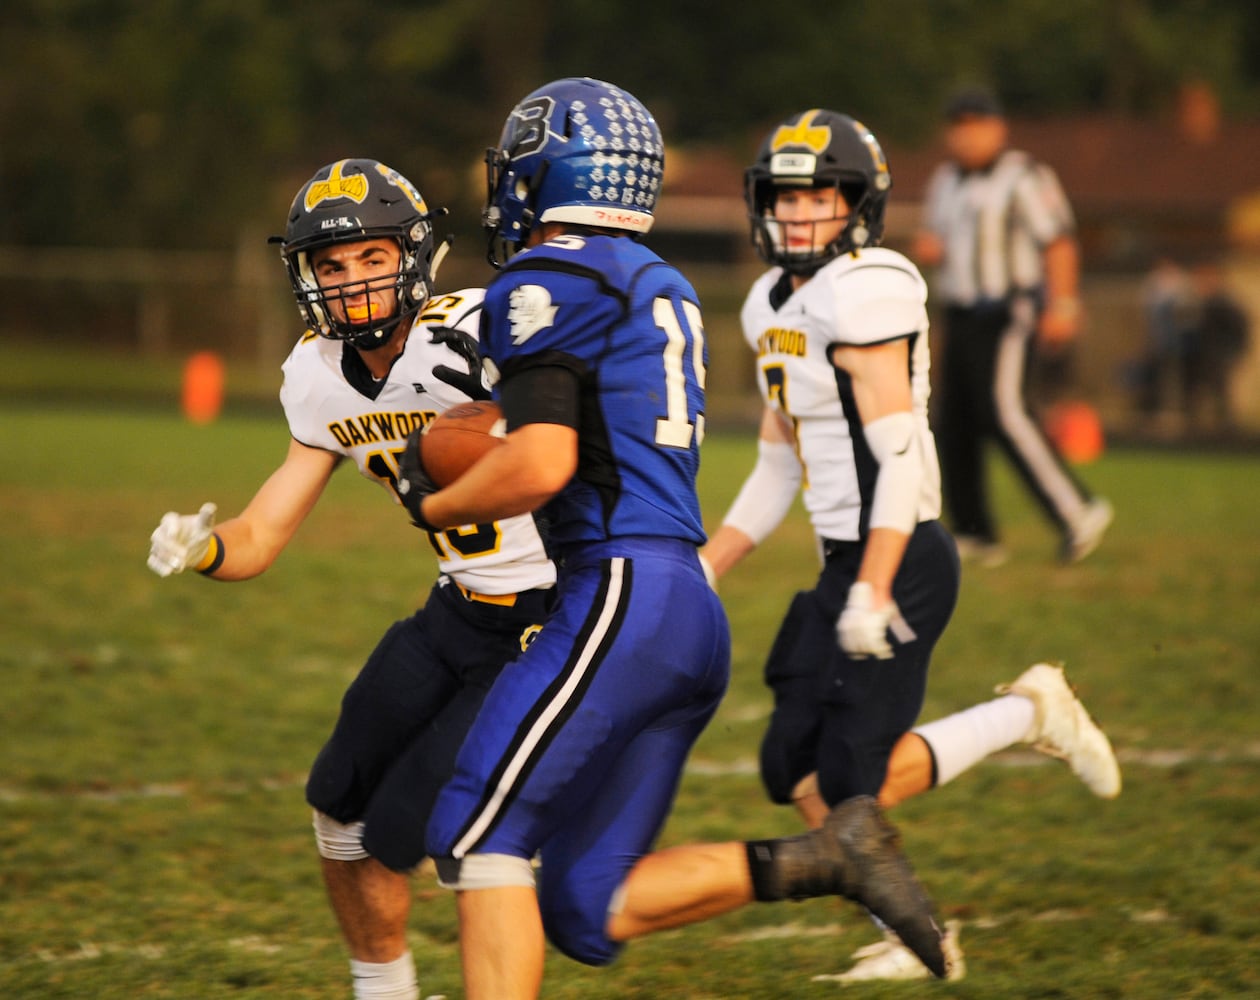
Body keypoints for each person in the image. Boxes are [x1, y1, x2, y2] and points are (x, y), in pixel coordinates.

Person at [394, 78, 951, 999]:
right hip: (683, 612)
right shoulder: (660, 281)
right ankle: (829, 857)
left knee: (476, 832)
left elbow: (538, 462)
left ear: (545, 173)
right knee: (585, 901)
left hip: (614, 593)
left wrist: (432, 496)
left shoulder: (544, 280)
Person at [700, 108, 1121, 981]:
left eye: (821, 196)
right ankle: (1017, 736)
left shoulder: (869, 289)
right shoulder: (766, 303)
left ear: (859, 205)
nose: (801, 214)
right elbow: (780, 464)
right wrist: (707, 565)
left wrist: (874, 588)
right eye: (786, 197)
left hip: (904, 555)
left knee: (856, 778)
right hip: (845, 561)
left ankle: (1026, 720)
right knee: (790, 764)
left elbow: (896, 456)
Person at [147, 158, 558, 1000]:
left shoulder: (486, 328)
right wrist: (205, 548)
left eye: (370, 257)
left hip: (548, 618)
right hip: (460, 607)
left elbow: (567, 442)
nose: (351, 282)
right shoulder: (318, 372)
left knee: (433, 826)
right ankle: (385, 992)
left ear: (414, 255)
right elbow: (263, 530)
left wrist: (486, 427)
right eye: (330, 266)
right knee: (339, 802)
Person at [912, 87, 1113, 566]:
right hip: (960, 312)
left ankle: (1077, 509)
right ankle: (975, 531)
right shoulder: (945, 181)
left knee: (1005, 411)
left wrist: (1062, 303)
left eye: (976, 125)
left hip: (1008, 310)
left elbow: (1058, 242)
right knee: (952, 421)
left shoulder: (1023, 175)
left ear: (998, 128)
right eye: (958, 126)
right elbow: (937, 240)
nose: (966, 136)